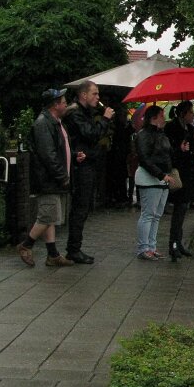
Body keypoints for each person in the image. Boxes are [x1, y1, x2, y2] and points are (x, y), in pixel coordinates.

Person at [17, 88, 77, 268]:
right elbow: (48, 155)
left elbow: (59, 149)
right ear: (55, 105)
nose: (66, 104)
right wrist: (62, 176)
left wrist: (74, 156)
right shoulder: (44, 124)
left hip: (52, 179)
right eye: (63, 102)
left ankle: (53, 255)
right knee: (47, 215)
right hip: (48, 180)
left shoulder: (55, 122)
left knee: (50, 216)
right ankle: (26, 245)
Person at [60, 81, 115, 264]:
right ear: (84, 95)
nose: (98, 97)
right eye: (94, 94)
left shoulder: (85, 112)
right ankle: (73, 249)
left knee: (83, 208)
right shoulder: (75, 113)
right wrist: (105, 119)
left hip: (88, 163)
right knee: (80, 208)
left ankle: (75, 247)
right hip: (81, 167)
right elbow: (90, 134)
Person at [164, 101, 194, 261]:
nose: (193, 115)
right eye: (191, 112)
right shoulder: (171, 128)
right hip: (178, 173)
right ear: (183, 114)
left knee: (184, 208)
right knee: (179, 208)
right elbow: (169, 152)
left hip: (188, 174)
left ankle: (178, 242)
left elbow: (192, 151)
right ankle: (173, 244)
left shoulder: (191, 129)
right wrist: (180, 150)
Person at [134, 104, 174, 260]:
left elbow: (167, 154)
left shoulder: (161, 134)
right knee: (148, 214)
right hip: (150, 179)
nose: (164, 119)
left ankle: (152, 246)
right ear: (153, 118)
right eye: (162, 116)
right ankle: (143, 247)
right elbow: (145, 158)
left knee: (156, 215)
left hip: (162, 178)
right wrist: (161, 174)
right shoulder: (143, 135)